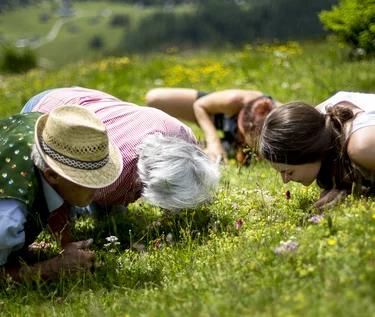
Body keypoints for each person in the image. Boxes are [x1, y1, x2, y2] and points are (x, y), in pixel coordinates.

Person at [21, 86, 221, 214]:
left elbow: (190, 174)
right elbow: (62, 186)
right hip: (46, 113)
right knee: (72, 206)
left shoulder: (183, 135)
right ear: (144, 182)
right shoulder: (106, 178)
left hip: (81, 97)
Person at [0, 105, 123, 282]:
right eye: (87, 180)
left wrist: (61, 244)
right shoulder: (9, 218)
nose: (98, 187)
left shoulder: (54, 135)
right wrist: (54, 268)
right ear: (52, 175)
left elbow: (53, 195)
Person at [259, 91, 375, 208]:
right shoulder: (315, 124)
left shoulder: (362, 147)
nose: (285, 181)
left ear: (310, 152)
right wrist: (343, 187)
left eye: (289, 172)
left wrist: (363, 191)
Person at [145, 88, 282, 163]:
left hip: (244, 145)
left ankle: (222, 147)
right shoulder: (234, 100)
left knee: (184, 151)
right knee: (155, 98)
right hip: (214, 113)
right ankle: (217, 145)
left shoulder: (284, 122)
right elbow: (199, 105)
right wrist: (213, 142)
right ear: (240, 124)